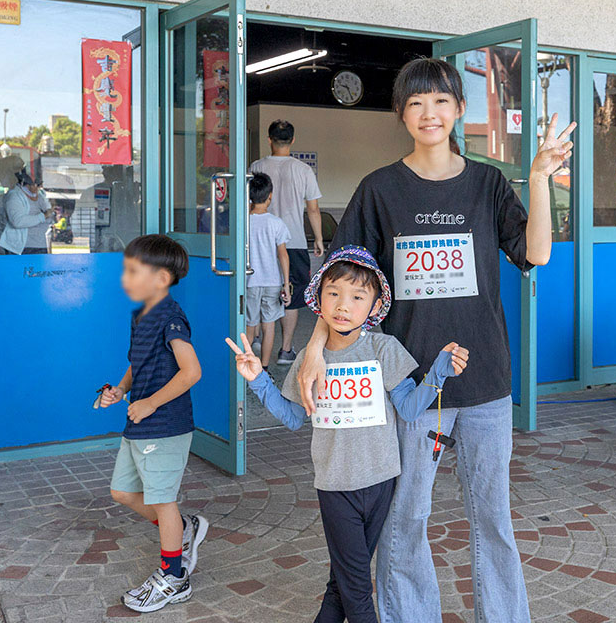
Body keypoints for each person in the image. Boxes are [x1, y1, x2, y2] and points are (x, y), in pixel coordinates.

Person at [294, 57, 573, 623]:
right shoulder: (380, 190)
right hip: (409, 386)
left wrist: (541, 178)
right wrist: (315, 349)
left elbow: (536, 253)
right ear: (401, 113)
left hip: (487, 379)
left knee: (493, 518)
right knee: (405, 519)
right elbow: (339, 281)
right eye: (416, 102)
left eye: (441, 100)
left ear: (459, 109)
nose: (430, 113)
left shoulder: (488, 184)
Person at [231, 246, 469, 623]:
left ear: (375, 306)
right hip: (335, 487)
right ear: (319, 299)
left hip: (382, 482)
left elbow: (409, 409)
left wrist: (439, 372)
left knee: (341, 584)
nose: (343, 305)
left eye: (358, 297)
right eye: (334, 293)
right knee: (356, 589)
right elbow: (293, 417)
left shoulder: (383, 348)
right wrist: (258, 379)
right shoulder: (310, 359)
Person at [98, 235, 209, 613]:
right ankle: (183, 528)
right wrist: (121, 389)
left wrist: (150, 403)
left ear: (161, 278)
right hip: (140, 423)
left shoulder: (171, 318)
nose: (125, 278)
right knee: (122, 492)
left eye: (134, 271)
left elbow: (191, 371)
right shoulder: (141, 316)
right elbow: (138, 362)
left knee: (162, 501)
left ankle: (174, 577)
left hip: (165, 425)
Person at [249, 120, 325, 364]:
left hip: (259, 240)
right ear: (292, 140)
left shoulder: (256, 166)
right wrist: (319, 238)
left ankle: (257, 336)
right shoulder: (303, 169)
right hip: (293, 241)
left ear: (269, 139)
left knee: (256, 287)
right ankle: (285, 350)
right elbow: (313, 209)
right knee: (289, 294)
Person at [247, 173, 291, 368]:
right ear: (270, 196)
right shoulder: (276, 223)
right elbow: (283, 255)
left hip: (250, 282)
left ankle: (244, 370)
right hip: (272, 282)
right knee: (269, 326)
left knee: (250, 327)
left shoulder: (244, 223)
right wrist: (286, 284)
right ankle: (263, 368)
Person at [0, 168, 52, 255]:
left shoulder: (41, 195)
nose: (35, 187)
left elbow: (50, 214)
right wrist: (43, 216)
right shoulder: (14, 196)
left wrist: (50, 213)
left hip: (40, 244)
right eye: (32, 184)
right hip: (21, 248)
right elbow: (18, 221)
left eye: (38, 184)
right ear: (23, 182)